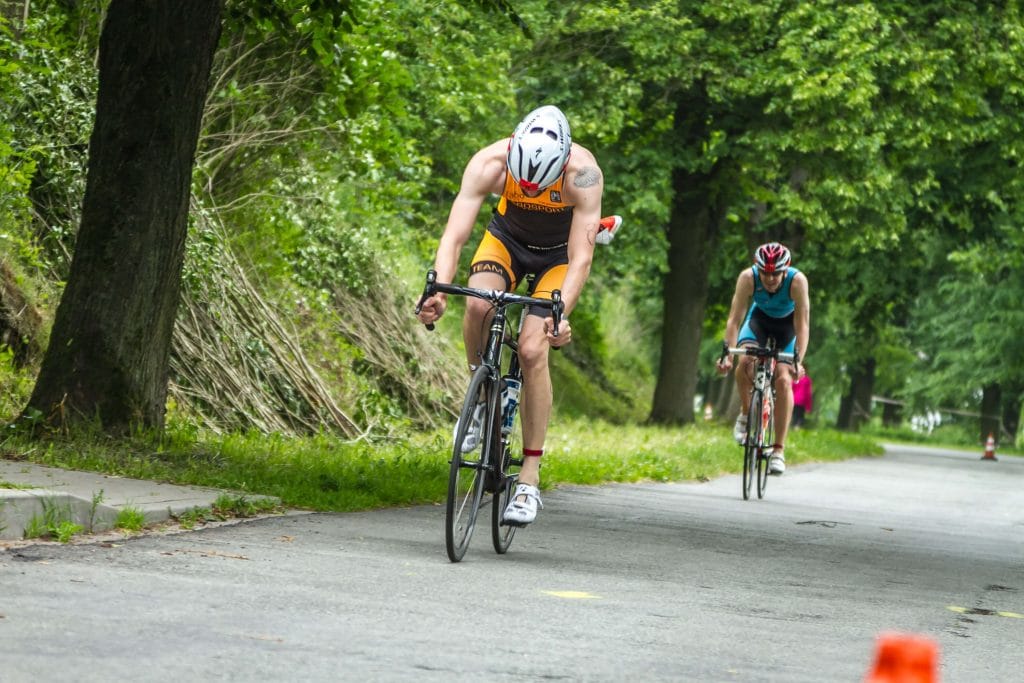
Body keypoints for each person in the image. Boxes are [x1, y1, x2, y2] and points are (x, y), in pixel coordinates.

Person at [416, 105, 606, 526]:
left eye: (542, 187)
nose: (533, 192)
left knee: (533, 348)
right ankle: (481, 399)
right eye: (524, 185)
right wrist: (439, 288)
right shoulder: (489, 162)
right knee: (479, 304)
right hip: (506, 240)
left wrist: (560, 315)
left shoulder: (584, 174)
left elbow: (580, 259)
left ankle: (529, 480)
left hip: (558, 256)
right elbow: (455, 234)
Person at [715, 242, 809, 475]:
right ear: (758, 270)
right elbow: (734, 320)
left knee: (784, 380)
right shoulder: (748, 278)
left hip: (787, 328)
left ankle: (778, 449)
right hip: (758, 322)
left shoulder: (797, 282)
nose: (769, 279)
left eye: (775, 273)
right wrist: (727, 355)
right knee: (745, 362)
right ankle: (746, 415)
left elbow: (802, 324)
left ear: (784, 271)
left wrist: (798, 360)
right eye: (765, 273)